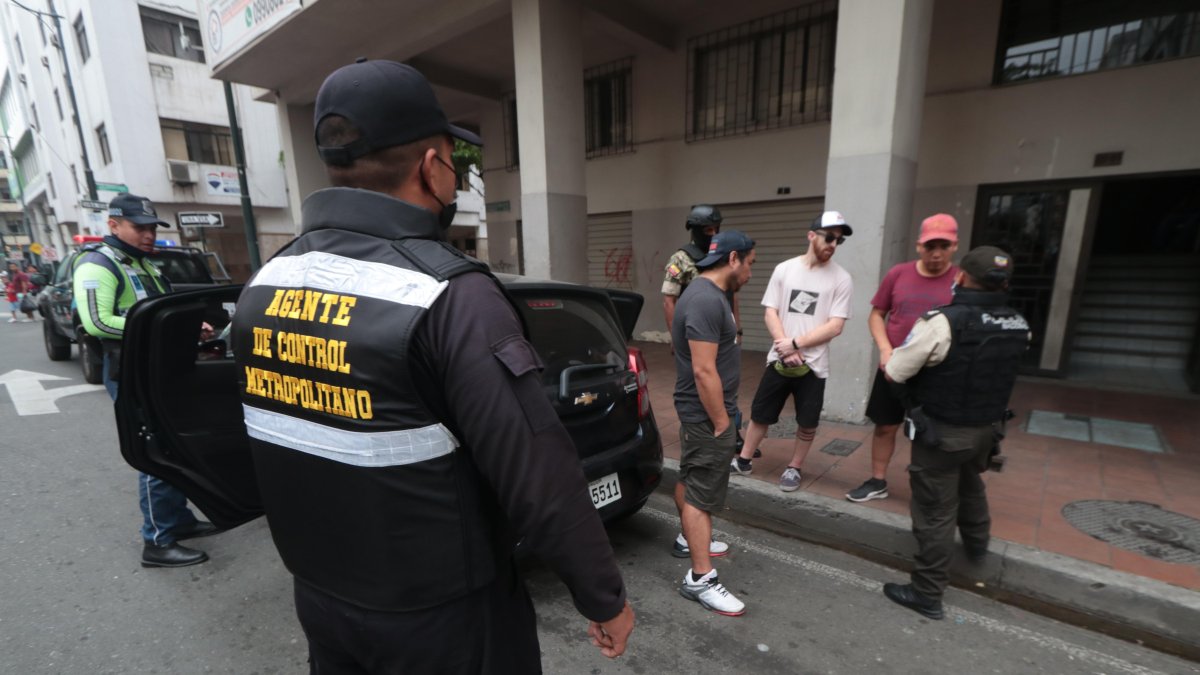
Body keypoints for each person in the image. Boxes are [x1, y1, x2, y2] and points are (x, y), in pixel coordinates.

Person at [229, 59, 633, 672]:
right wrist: (602, 596)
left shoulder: (265, 281)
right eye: (453, 161)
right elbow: (536, 471)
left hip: (321, 600)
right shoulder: (452, 296)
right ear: (431, 166)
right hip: (446, 620)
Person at [880, 246, 1029, 620]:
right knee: (970, 483)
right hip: (987, 431)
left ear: (960, 276)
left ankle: (926, 593)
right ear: (1005, 283)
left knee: (935, 512)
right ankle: (978, 547)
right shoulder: (1018, 323)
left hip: (942, 433)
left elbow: (897, 371)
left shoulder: (943, 322)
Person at [74, 194, 218, 568]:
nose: (149, 234)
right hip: (132, 372)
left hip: (158, 369)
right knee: (156, 452)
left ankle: (177, 521)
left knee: (173, 446)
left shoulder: (143, 265)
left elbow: (162, 311)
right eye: (140, 227)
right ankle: (157, 540)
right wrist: (166, 328)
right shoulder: (97, 264)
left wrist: (189, 326)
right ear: (113, 225)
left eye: (152, 227)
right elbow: (97, 321)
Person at [731, 212, 854, 491]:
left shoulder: (842, 279)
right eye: (829, 237)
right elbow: (771, 311)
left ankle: (794, 467)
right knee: (761, 412)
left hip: (814, 364)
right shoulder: (785, 269)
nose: (834, 244)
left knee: (807, 420)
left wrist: (796, 344)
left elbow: (835, 326)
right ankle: (744, 460)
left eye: (839, 240)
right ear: (812, 236)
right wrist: (785, 347)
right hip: (779, 359)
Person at [671, 230, 756, 616]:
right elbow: (705, 371)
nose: (752, 272)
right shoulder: (706, 299)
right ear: (734, 258)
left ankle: (691, 540)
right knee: (701, 494)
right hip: (707, 415)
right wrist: (723, 422)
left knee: (692, 479)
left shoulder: (707, 294)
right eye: (751, 263)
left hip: (702, 413)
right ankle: (700, 578)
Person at [846, 214, 959, 503]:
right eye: (930, 245)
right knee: (885, 425)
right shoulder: (898, 273)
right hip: (894, 365)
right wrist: (885, 349)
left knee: (930, 431)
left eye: (943, 246)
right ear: (919, 246)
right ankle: (878, 480)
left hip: (936, 370)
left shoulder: (960, 281)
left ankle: (927, 487)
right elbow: (876, 315)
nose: (936, 253)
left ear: (954, 246)